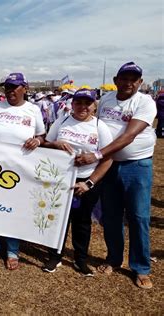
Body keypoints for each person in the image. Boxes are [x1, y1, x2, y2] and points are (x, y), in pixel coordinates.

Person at [75, 62, 157, 289]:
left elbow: (129, 136)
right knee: (110, 216)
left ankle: (140, 268)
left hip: (136, 165)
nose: (128, 82)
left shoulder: (145, 102)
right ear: (115, 79)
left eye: (134, 79)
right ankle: (113, 259)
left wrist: (97, 154)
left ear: (140, 82)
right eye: (124, 78)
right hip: (109, 166)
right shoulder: (107, 100)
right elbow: (94, 127)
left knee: (139, 217)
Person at [0, 73, 45, 270]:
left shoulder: (33, 110)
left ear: (25, 88)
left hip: (20, 169)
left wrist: (38, 141)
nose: (10, 90)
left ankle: (12, 251)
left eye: (15, 87)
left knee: (13, 209)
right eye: (7, 87)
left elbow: (41, 135)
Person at [42, 89, 113, 276]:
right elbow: (46, 143)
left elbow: (108, 158)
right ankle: (54, 256)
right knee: (57, 219)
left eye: (87, 103)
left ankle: (80, 259)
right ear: (72, 104)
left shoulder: (100, 126)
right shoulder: (62, 121)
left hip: (86, 180)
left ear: (94, 106)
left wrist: (89, 183)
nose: (82, 107)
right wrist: (55, 144)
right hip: (60, 178)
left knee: (82, 221)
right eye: (78, 103)